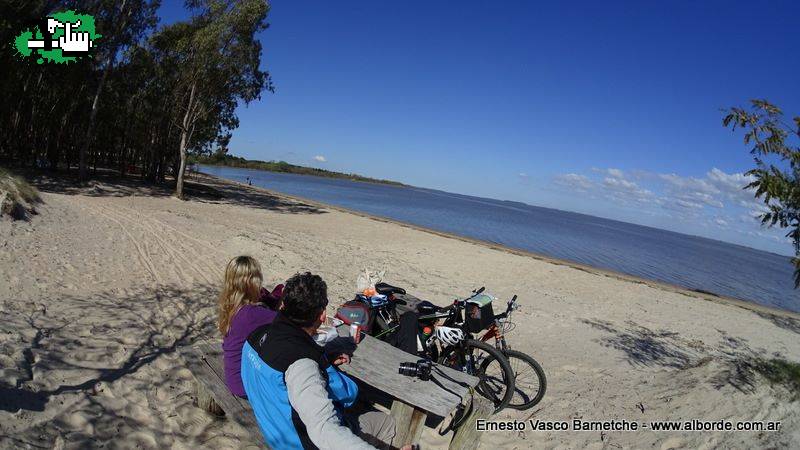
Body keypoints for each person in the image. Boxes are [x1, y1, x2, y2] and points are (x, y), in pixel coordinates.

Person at [241, 272, 411, 450]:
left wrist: (320, 359)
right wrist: (320, 364)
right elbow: (325, 429)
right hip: (298, 442)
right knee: (385, 423)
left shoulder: (254, 337)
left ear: (283, 305)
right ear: (322, 316)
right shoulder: (302, 363)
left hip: (274, 430)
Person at [218, 255, 281, 398]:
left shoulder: (231, 305)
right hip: (244, 384)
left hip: (234, 374)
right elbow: (287, 322)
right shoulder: (252, 314)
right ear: (251, 282)